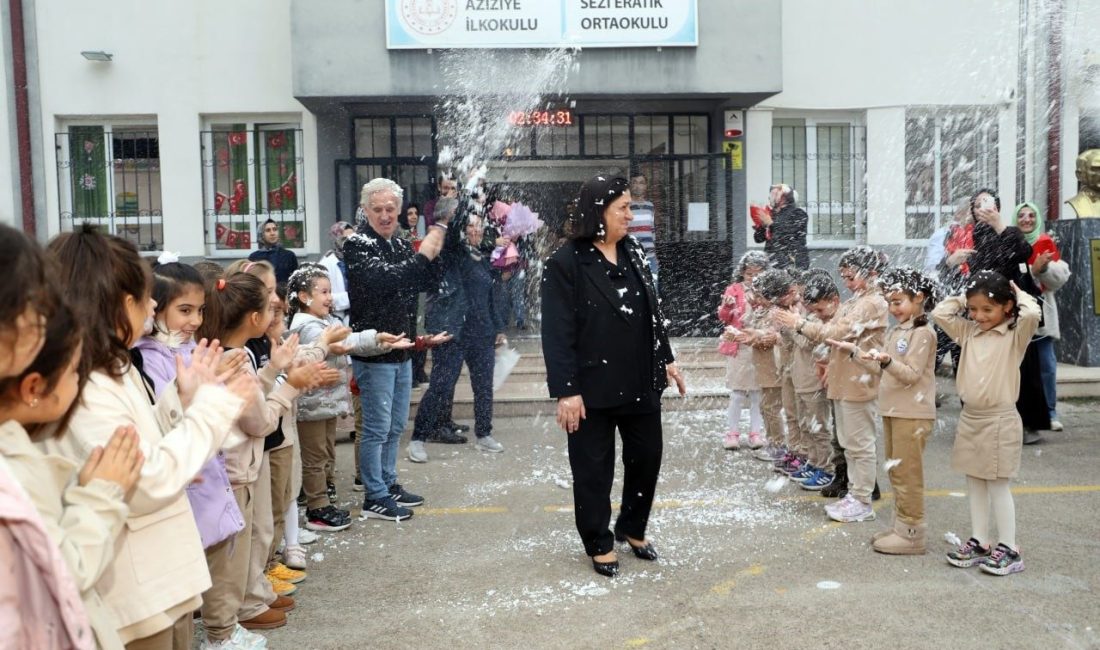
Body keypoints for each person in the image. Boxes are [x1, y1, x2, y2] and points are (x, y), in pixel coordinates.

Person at [47, 225, 254, 648]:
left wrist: (183, 398)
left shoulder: (111, 366)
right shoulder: (83, 384)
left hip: (160, 578)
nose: (153, 306)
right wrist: (211, 407)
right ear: (122, 304)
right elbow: (147, 481)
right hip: (133, 588)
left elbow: (145, 442)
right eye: (145, 297)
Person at [541, 174, 686, 579]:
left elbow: (653, 312)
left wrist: (667, 358)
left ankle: (632, 527)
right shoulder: (566, 262)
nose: (630, 214)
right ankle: (599, 541)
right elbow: (556, 333)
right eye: (622, 207)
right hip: (590, 388)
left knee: (647, 458)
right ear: (598, 212)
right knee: (592, 470)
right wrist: (566, 391)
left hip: (640, 378)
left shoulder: (634, 250)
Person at [345, 178, 449, 522]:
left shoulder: (401, 245)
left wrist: (434, 252)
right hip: (374, 351)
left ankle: (388, 483)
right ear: (365, 211)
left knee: (394, 427)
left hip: (403, 350)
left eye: (391, 208)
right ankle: (374, 495)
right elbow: (388, 279)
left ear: (400, 210)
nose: (385, 215)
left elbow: (425, 283)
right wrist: (422, 255)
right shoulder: (357, 245)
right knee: (376, 428)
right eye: (378, 209)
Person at [934, 271, 1041, 576]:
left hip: (999, 419)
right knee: (974, 481)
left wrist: (1016, 292)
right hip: (971, 419)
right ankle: (981, 541)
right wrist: (965, 294)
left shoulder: (1014, 335)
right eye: (973, 309)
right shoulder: (969, 332)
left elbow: (1032, 312)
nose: (978, 316)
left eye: (987, 309)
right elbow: (940, 312)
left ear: (1007, 307)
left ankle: (1009, 548)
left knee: (997, 484)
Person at [285, 263, 408, 529]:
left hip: (324, 402)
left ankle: (322, 497)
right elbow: (340, 344)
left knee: (326, 454)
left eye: (330, 291)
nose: (330, 297)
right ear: (305, 297)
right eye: (324, 292)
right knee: (316, 458)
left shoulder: (325, 321)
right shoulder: (307, 326)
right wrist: (375, 339)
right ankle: (317, 508)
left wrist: (377, 339)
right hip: (312, 403)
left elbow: (348, 337)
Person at [775, 246, 888, 522]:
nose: (847, 283)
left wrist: (799, 323)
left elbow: (836, 332)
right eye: (845, 277)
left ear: (871, 273)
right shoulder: (857, 301)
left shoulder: (872, 302)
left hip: (858, 381)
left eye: (851, 277)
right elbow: (832, 333)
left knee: (860, 444)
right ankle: (855, 492)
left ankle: (862, 498)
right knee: (850, 443)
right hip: (845, 379)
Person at [832, 267, 938, 554]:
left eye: (898, 302)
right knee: (896, 473)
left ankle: (913, 534)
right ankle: (900, 527)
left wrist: (887, 360)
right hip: (894, 411)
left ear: (919, 298)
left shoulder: (923, 332)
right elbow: (883, 369)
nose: (893, 309)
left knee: (908, 475)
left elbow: (911, 374)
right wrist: (854, 352)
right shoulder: (898, 330)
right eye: (890, 302)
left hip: (912, 413)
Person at [409, 210, 508, 463]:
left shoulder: (484, 259)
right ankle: (418, 438)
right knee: (442, 385)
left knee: (484, 387)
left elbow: (492, 298)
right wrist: (459, 208)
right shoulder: (453, 255)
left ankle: (484, 434)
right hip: (453, 332)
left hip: (481, 333)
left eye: (480, 227)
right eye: (470, 227)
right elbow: (451, 235)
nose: (476, 231)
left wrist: (499, 328)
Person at [1011, 202, 1071, 436]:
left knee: (1046, 365)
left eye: (1032, 215)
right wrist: (1030, 271)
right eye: (1022, 215)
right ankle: (1021, 413)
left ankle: (1050, 412)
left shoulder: (1045, 242)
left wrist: (1041, 270)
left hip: (1042, 315)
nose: (1027, 219)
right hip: (1015, 315)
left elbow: (1058, 279)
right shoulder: (1009, 242)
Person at [737, 270, 794, 464]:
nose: (756, 299)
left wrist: (755, 336)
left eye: (760, 295)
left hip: (774, 368)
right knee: (766, 407)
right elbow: (749, 327)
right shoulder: (761, 310)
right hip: (763, 367)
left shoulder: (778, 313)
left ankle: (778, 445)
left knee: (771, 408)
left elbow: (770, 336)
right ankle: (773, 443)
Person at [790, 270, 839, 491]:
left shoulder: (819, 321)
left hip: (814, 381)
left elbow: (807, 343)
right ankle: (813, 462)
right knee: (806, 425)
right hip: (801, 377)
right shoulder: (808, 318)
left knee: (819, 427)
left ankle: (825, 468)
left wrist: (793, 325)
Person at [717, 251, 769, 450]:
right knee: (738, 393)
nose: (753, 277)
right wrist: (727, 307)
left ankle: (756, 432)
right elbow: (724, 317)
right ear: (742, 272)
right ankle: (732, 433)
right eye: (749, 273)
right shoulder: (734, 289)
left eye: (758, 273)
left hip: (759, 345)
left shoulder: (767, 291)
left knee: (757, 394)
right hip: (739, 347)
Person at [753, 183, 809, 269]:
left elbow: (788, 234)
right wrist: (762, 227)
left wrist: (771, 224)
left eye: (773, 194)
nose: (769, 198)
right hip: (772, 261)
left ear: (783, 198)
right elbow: (758, 238)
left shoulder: (798, 213)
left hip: (792, 262)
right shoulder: (771, 214)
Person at [318, 221, 355, 325]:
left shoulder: (357, 259)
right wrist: (353, 298)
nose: (350, 242)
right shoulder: (327, 263)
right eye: (344, 239)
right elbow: (323, 297)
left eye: (353, 238)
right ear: (335, 239)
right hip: (336, 319)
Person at [628, 172, 659, 287]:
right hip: (632, 256)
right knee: (635, 290)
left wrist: (655, 256)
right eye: (634, 182)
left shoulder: (650, 206)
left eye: (641, 183)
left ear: (646, 186)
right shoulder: (625, 206)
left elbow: (652, 231)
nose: (637, 186)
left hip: (650, 257)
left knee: (653, 290)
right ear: (630, 186)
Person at [249, 218, 299, 285]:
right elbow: (251, 282)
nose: (272, 233)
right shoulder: (254, 257)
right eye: (268, 230)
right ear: (261, 234)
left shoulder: (289, 255)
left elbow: (296, 281)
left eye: (275, 229)